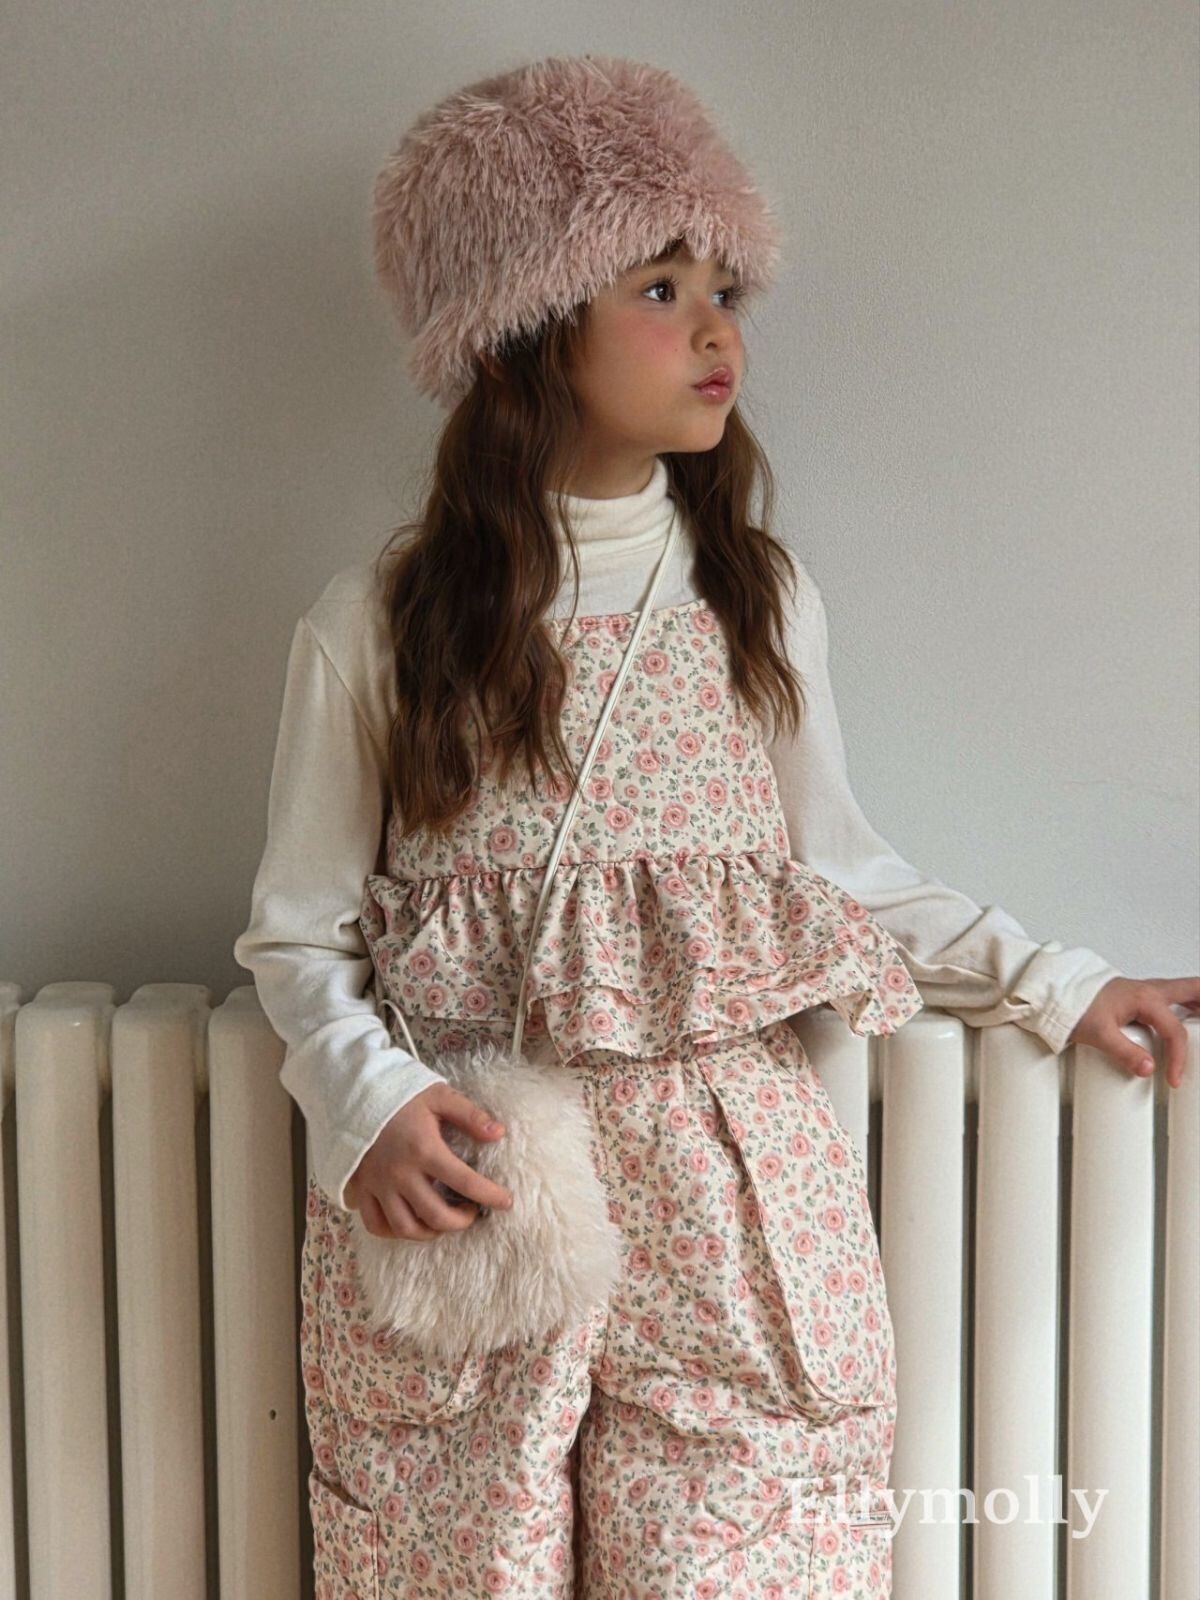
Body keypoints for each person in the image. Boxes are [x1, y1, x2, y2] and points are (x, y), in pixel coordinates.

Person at [232, 52, 1198, 1600]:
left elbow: (839, 878)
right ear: (526, 326)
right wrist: (369, 1109)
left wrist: (1060, 981)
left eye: (723, 290)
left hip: (730, 1208)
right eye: (660, 288)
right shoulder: (381, 624)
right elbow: (299, 934)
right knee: (454, 1562)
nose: (716, 330)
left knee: (740, 1556)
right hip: (482, 1196)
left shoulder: (755, 596)